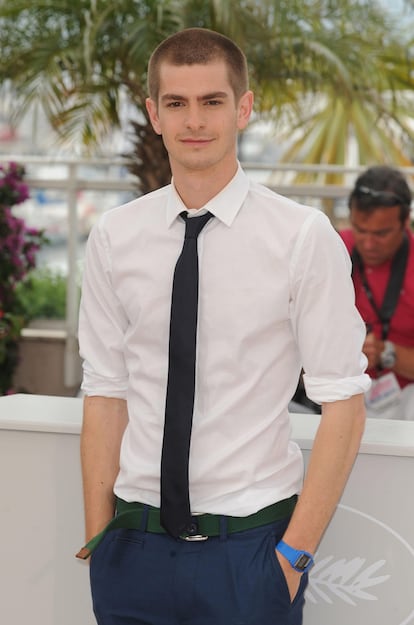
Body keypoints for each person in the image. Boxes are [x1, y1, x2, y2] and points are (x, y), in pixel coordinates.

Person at [77, 28, 370, 625]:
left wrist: (293, 554)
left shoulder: (300, 237)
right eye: (176, 103)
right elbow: (106, 391)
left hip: (252, 551)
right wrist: (100, 538)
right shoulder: (115, 236)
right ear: (154, 114)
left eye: (212, 101)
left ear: (243, 107)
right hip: (132, 549)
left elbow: (343, 399)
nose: (195, 120)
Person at [340, 166, 414, 420]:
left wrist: (387, 353)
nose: (368, 244)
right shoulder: (333, 248)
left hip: (405, 400)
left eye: (381, 233)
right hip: (337, 394)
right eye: (360, 230)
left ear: (406, 222)